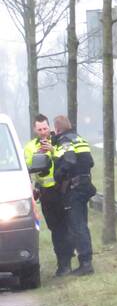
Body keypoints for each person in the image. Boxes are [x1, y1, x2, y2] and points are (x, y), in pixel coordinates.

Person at [22, 114, 73, 276]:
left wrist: (52, 151)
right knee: (54, 228)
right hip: (45, 193)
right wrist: (38, 155)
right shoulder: (30, 147)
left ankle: (65, 263)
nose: (43, 132)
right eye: (40, 129)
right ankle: (63, 262)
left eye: (45, 128)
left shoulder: (59, 140)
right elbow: (27, 168)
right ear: (34, 130)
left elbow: (68, 159)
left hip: (62, 190)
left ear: (49, 127)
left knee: (65, 228)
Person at [51, 115, 96, 276]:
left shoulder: (64, 141)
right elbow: (90, 162)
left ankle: (85, 263)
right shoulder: (79, 139)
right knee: (82, 224)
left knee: (77, 226)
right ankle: (86, 260)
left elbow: (68, 161)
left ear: (57, 128)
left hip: (74, 188)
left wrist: (58, 175)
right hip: (85, 184)